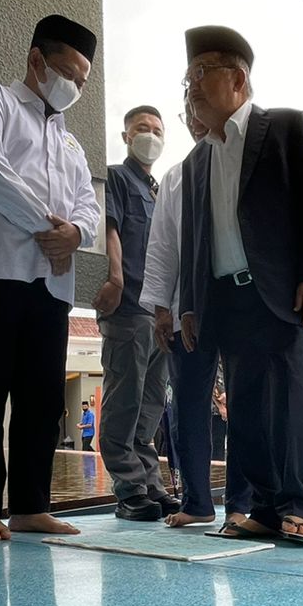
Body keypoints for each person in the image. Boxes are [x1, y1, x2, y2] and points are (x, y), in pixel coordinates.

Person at [0, 12, 98, 541]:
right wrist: (50, 231)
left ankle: (31, 506)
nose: (75, 86)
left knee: (42, 397)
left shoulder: (72, 144)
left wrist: (76, 233)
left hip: (50, 285)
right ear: (36, 59)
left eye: (82, 80)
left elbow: (89, 207)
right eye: (68, 73)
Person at [177, 25, 303, 543]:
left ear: (238, 78)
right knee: (243, 407)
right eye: (188, 77)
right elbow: (197, 239)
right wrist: (191, 305)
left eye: (201, 74)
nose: (192, 86)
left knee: (289, 397)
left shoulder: (285, 127)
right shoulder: (199, 159)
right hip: (227, 296)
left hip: (283, 290)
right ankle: (263, 507)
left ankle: (294, 505)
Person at [141, 100, 255, 529]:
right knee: (187, 399)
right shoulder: (176, 177)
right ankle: (197, 500)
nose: (194, 118)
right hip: (184, 302)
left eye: (200, 108)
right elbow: (163, 246)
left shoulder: (244, 163)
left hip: (238, 298)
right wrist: (160, 308)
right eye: (187, 112)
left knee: (243, 399)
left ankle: (241, 502)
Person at [97, 104, 179, 521]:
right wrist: (115, 278)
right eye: (142, 129)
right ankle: (128, 489)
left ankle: (151, 484)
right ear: (127, 135)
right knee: (124, 401)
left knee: (150, 406)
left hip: (158, 314)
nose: (150, 135)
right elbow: (109, 227)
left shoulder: (160, 189)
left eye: (157, 130)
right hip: (127, 308)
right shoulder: (116, 177)